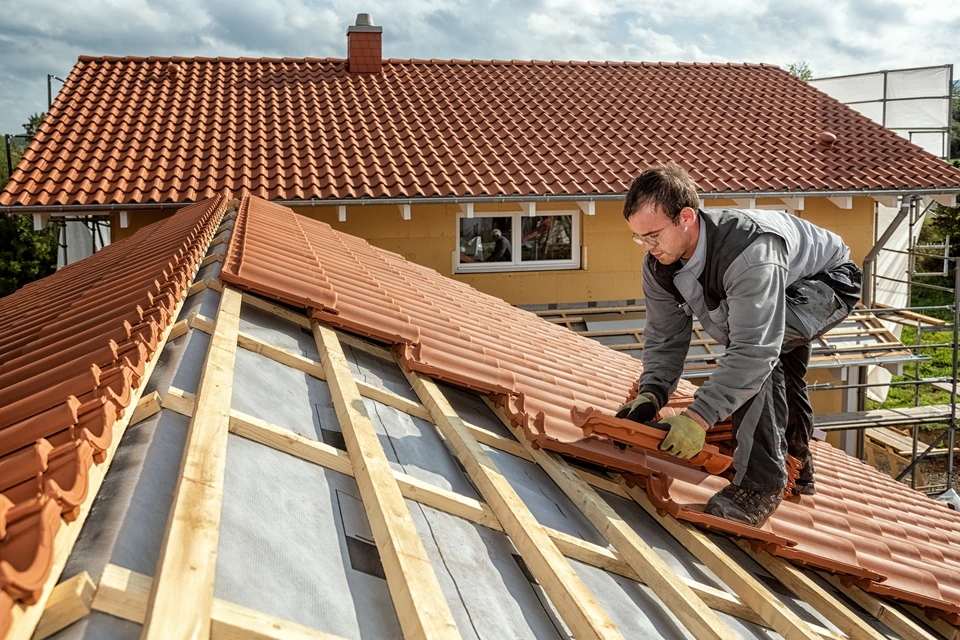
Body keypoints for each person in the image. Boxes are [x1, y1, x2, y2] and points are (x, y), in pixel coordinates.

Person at [617, 163, 862, 526]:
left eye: (652, 235)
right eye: (639, 238)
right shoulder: (659, 265)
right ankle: (799, 466)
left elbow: (754, 351)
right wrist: (652, 392)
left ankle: (758, 489)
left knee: (765, 357)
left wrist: (698, 418)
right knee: (779, 367)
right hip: (781, 279)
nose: (647, 247)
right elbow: (666, 336)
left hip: (826, 282)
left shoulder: (747, 252)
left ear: (685, 217)